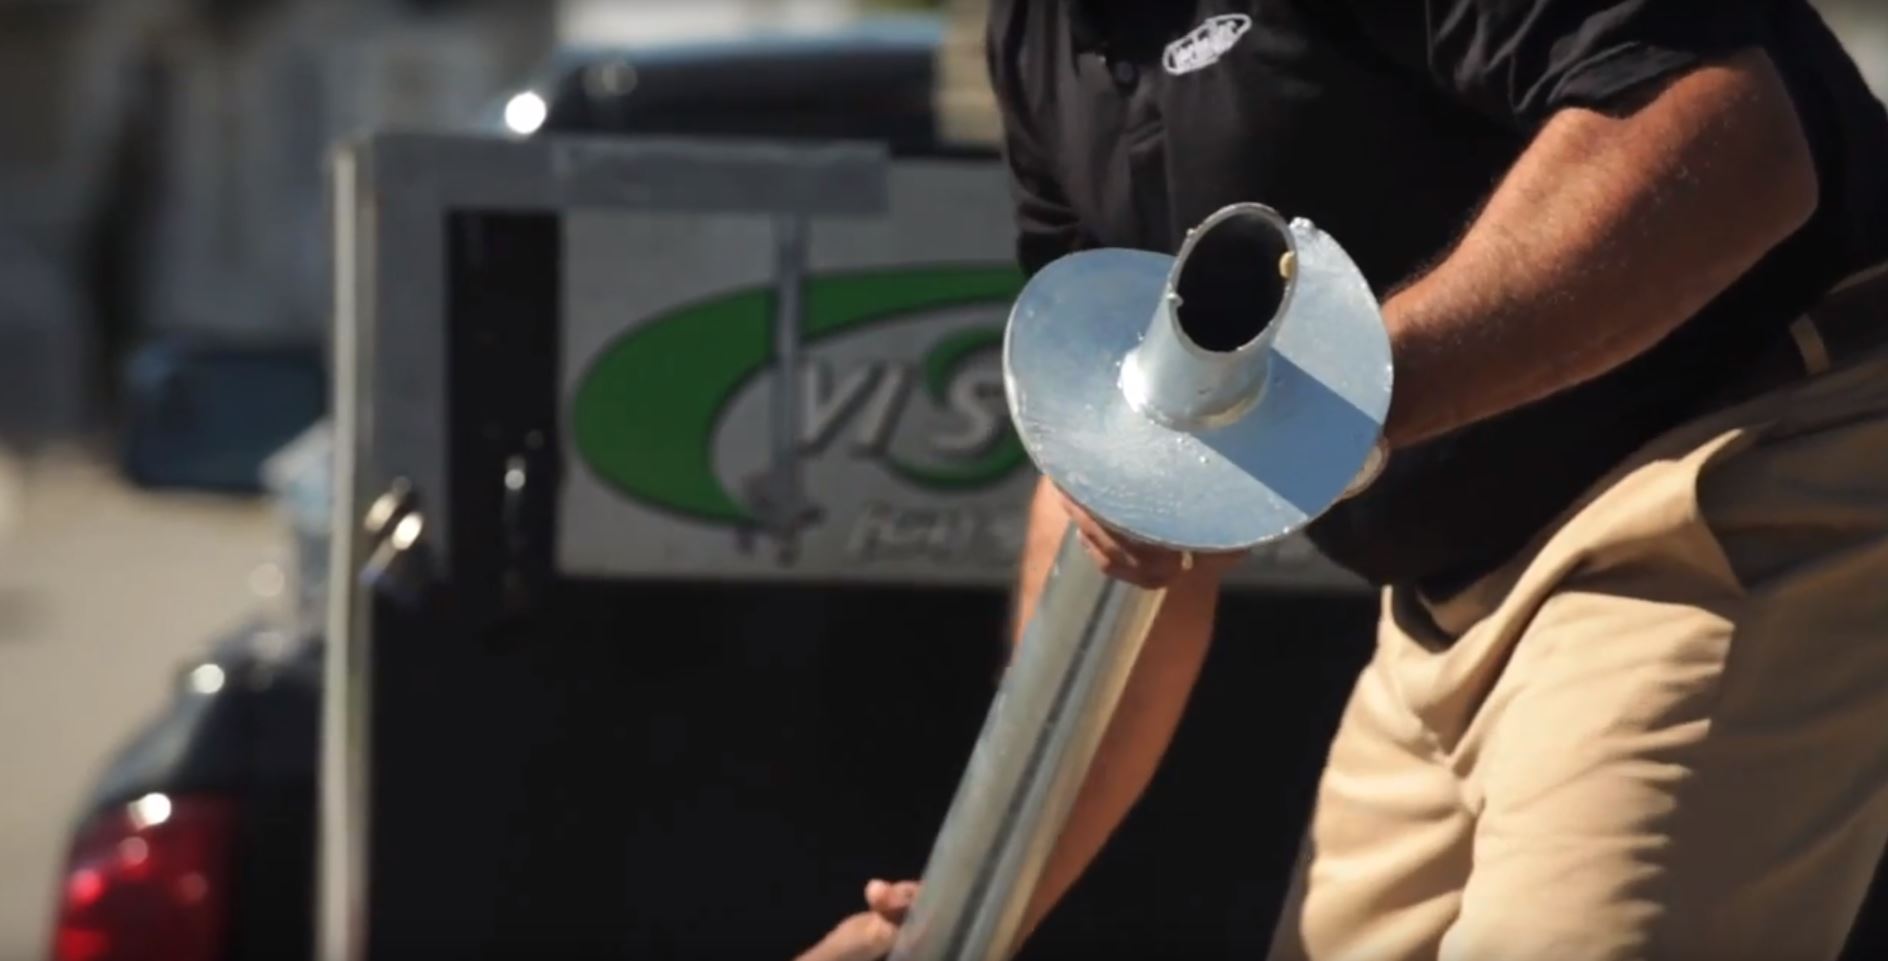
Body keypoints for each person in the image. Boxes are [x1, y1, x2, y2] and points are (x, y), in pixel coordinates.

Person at [815, 0, 1888, 958]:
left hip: (1738, 466)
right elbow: (1129, 501)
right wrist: (964, 914)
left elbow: (1724, 136)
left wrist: (1315, 413)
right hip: (1437, 617)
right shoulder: (1037, 36)